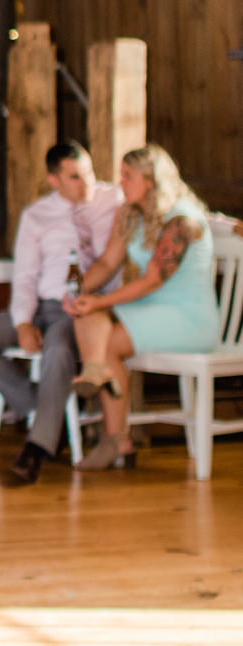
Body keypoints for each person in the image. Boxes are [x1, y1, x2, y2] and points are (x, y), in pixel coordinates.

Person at [0, 141, 123, 487]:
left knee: (58, 348)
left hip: (82, 310)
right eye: (75, 177)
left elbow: (171, 211)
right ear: (54, 181)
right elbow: (25, 276)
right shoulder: (36, 216)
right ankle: (43, 402)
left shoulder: (114, 200)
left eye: (89, 173)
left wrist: (229, 227)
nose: (86, 183)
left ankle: (37, 448)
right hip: (41, 304)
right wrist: (21, 322)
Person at [67, 143, 221, 473]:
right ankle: (96, 372)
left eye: (127, 176)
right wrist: (82, 292)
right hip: (152, 310)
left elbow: (152, 280)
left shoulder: (182, 222)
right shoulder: (130, 213)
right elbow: (108, 262)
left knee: (105, 338)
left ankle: (112, 431)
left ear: (150, 181)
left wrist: (102, 300)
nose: (120, 182)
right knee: (87, 312)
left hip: (187, 318)